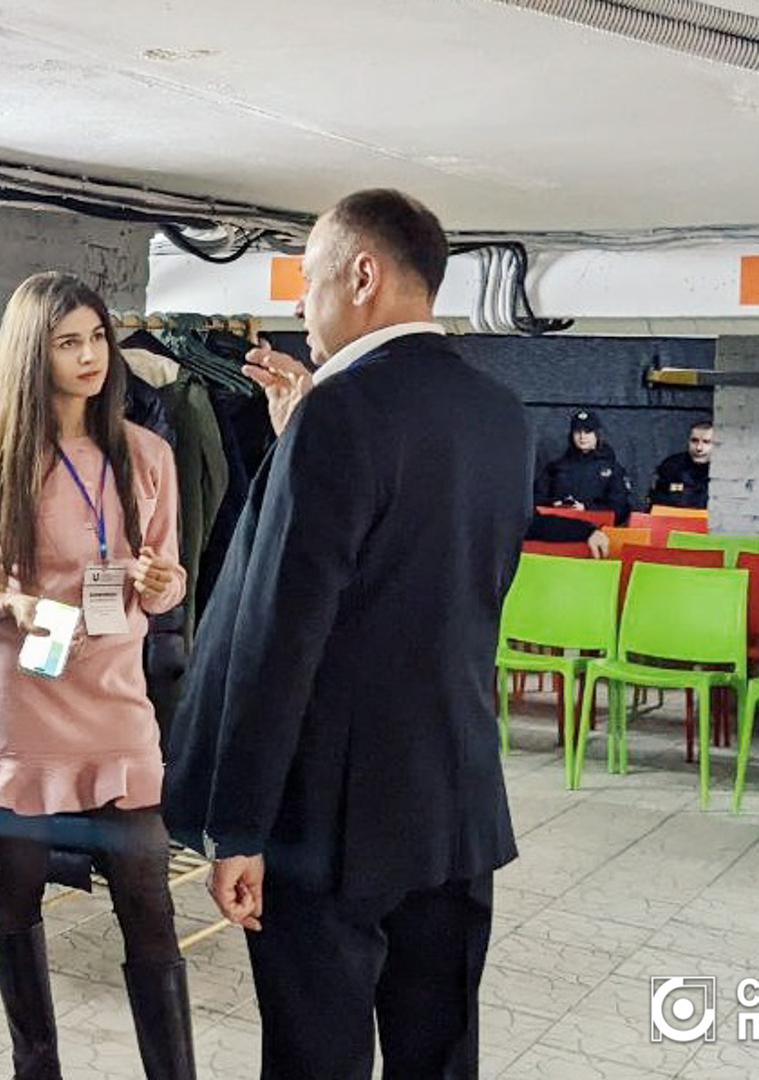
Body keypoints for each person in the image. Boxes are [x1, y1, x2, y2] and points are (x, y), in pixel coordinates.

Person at [165, 188, 531, 1078]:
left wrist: (238, 824)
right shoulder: (501, 414)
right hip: (455, 794)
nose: (300, 305)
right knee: (439, 1053)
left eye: (309, 279)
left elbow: (280, 635)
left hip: (331, 814)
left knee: (316, 1057)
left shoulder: (339, 413)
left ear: (362, 275)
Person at [0, 271, 195, 1080]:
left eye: (97, 337)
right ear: (31, 356)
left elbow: (170, 581)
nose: (90, 356)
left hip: (115, 704)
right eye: (67, 342)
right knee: (16, 894)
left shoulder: (148, 455)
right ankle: (34, 1067)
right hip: (24, 703)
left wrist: (162, 583)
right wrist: (4, 599)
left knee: (147, 896)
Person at [535, 408, 633, 524]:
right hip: (559, 527)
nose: (582, 437)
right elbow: (537, 499)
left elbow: (620, 509)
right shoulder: (556, 467)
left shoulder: (612, 469)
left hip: (597, 529)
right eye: (578, 432)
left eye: (587, 432)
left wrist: (587, 508)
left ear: (597, 435)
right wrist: (554, 504)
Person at [649, 418, 713, 508]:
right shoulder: (671, 467)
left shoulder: (724, 472)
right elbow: (656, 502)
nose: (699, 448)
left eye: (706, 442)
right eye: (694, 441)